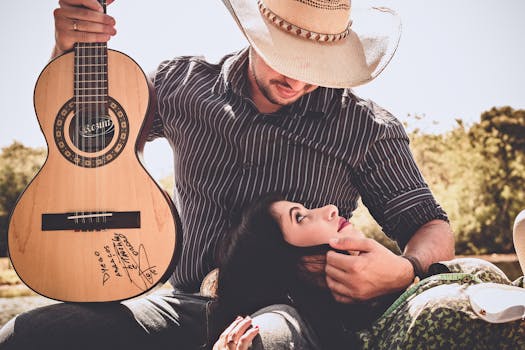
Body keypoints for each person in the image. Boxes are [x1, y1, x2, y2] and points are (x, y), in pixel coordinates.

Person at [0, 0, 457, 349]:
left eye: (316, 67)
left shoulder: (366, 128)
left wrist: (406, 268)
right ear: (257, 31)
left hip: (290, 313)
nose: (299, 81)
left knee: (261, 339)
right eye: (288, 58)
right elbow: (91, 147)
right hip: (180, 303)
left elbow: (429, 225)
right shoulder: (181, 84)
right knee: (27, 333)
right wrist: (70, 53)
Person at [212, 193, 525, 349]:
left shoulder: (401, 295)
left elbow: (430, 220)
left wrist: (406, 271)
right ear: (296, 267)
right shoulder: (398, 333)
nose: (330, 209)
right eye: (301, 218)